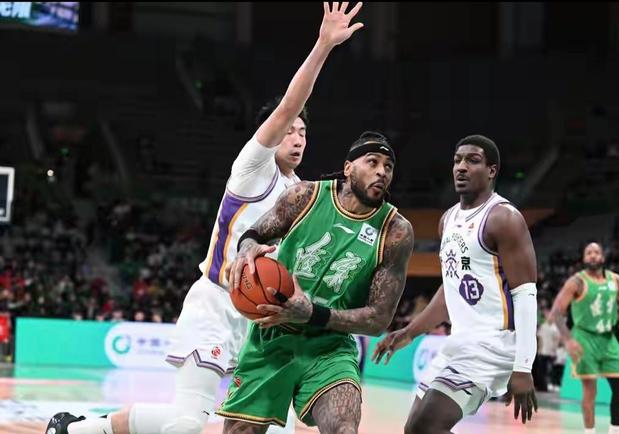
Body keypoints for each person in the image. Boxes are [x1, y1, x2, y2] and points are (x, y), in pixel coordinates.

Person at [45, 2, 364, 434]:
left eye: (303, 132)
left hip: (263, 323)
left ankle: (80, 430)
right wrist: (323, 46)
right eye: (290, 130)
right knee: (188, 423)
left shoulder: (301, 196)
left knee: (270, 427)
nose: (297, 137)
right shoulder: (252, 166)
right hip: (216, 303)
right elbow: (290, 105)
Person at [219, 130, 414, 434]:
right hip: (272, 338)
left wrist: (313, 314)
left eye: (388, 167)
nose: (382, 172)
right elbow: (254, 234)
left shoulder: (395, 232)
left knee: (343, 429)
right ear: (348, 167)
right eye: (372, 162)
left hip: (330, 347)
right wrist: (246, 249)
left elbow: (378, 319)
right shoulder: (305, 196)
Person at [373, 135, 539, 433]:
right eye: (457, 160)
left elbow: (526, 295)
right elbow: (451, 291)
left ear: (491, 170)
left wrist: (524, 366)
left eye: (472, 161)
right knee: (414, 430)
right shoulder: (447, 219)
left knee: (425, 427)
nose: (461, 167)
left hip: (492, 346)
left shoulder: (504, 218)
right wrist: (410, 332)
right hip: (459, 344)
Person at [549, 242, 619, 434]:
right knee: (590, 392)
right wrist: (568, 340)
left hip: (608, 339)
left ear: (602, 257)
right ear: (584, 258)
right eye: (589, 252)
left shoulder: (615, 280)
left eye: (596, 252)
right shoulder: (576, 282)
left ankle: (614, 431)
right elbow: (556, 312)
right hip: (585, 339)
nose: (593, 255)